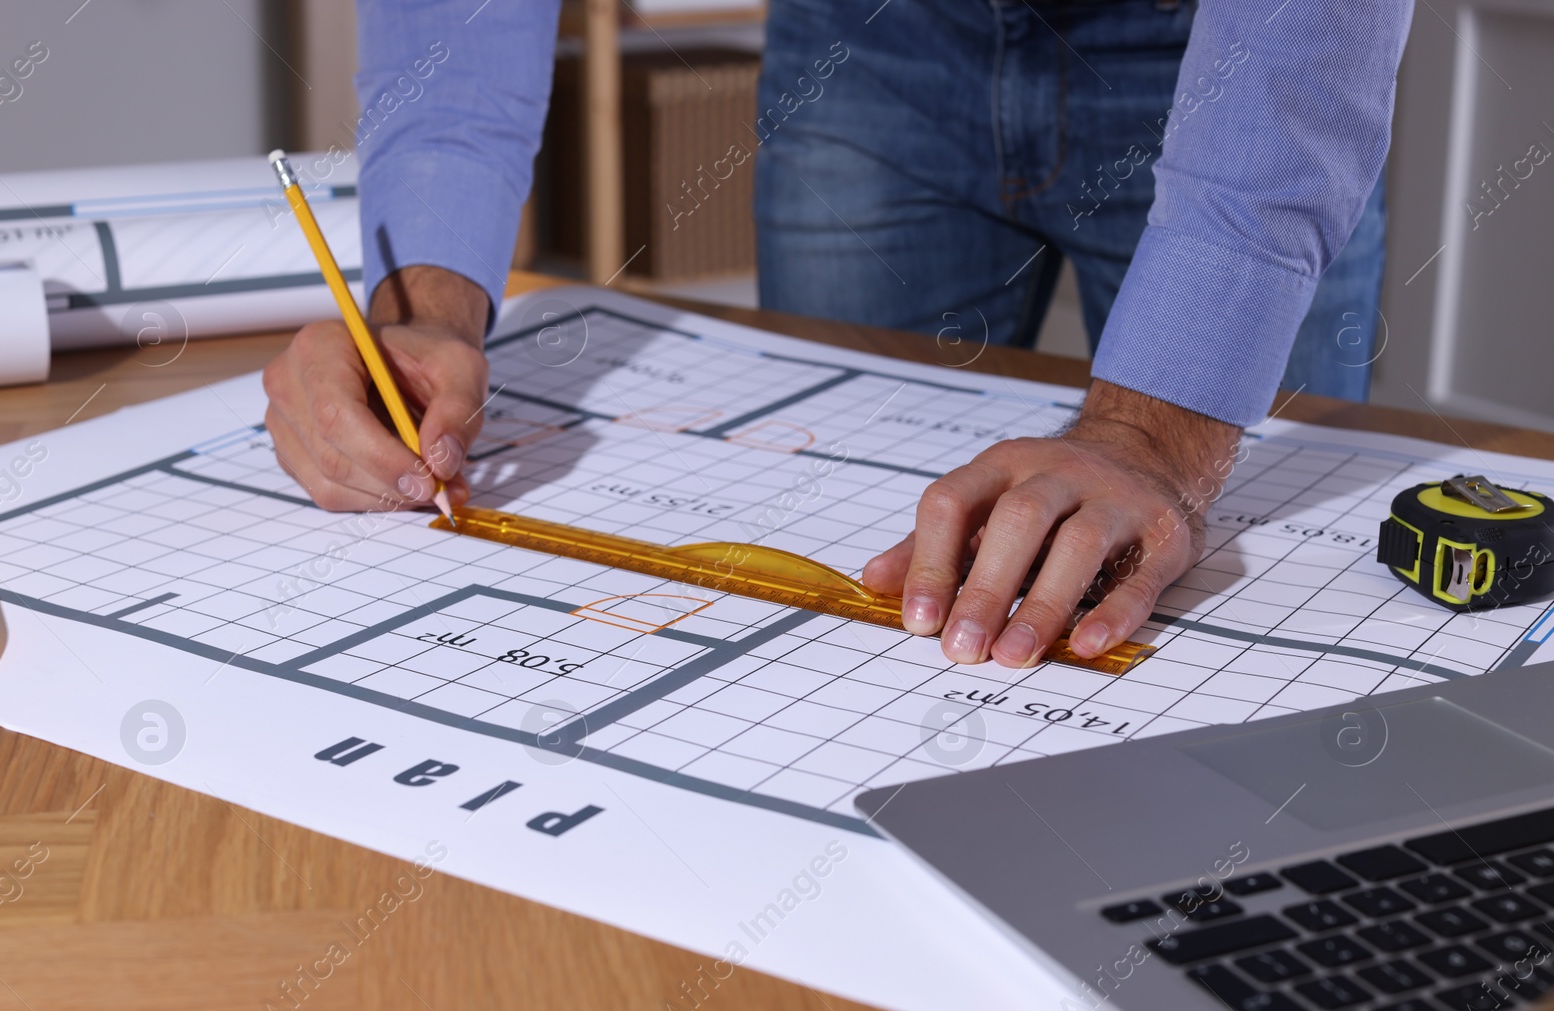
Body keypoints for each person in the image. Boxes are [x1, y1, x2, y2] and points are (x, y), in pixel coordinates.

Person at [263, 0, 1414, 670]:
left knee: (1246, 617)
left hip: (1228, 50)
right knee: (871, 628)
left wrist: (1158, 436)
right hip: (867, 39)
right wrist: (417, 315)